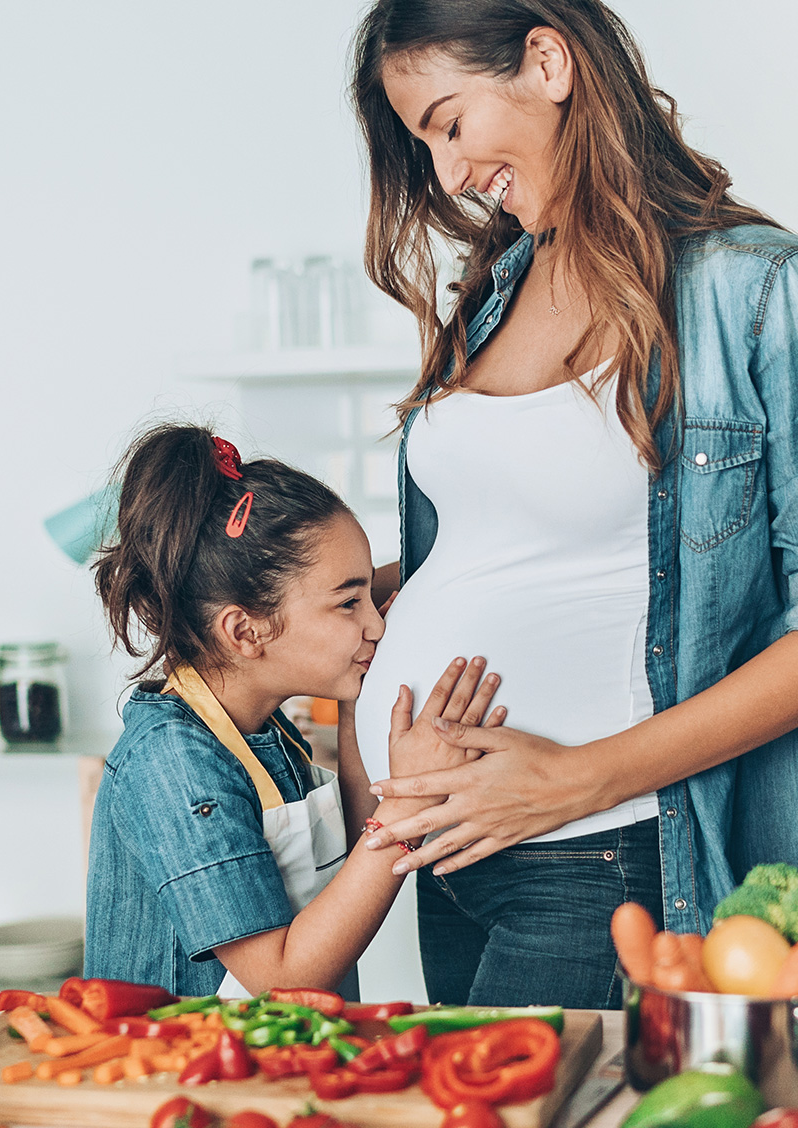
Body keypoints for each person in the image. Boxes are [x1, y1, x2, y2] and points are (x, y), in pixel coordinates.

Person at [348, 0, 798, 1010]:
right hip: (449, 856)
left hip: (603, 856)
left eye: (450, 124)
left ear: (549, 63)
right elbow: (525, 546)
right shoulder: (498, 291)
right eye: (424, 144)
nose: (450, 174)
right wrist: (335, 607)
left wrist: (570, 778)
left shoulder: (763, 291)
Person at [83, 424, 504, 996]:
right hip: (180, 1071)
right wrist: (410, 803)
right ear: (246, 631)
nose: (375, 623)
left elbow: (358, 845)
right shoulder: (174, 763)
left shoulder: (266, 729)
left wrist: (361, 701)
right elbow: (282, 976)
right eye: (348, 603)